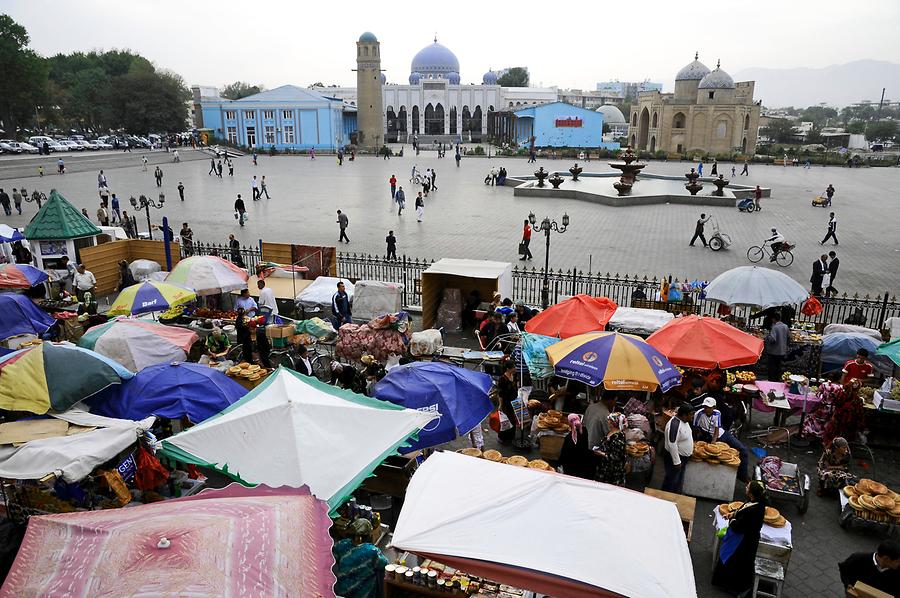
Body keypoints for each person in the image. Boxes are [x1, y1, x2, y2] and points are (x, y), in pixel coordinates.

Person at [712, 480, 767, 594]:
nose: (746, 487)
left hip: (743, 542)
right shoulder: (756, 502)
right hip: (746, 539)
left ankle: (733, 588)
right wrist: (733, 514)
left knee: (736, 563)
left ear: (751, 493)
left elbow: (739, 526)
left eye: (748, 487)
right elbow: (743, 509)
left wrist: (732, 520)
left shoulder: (754, 511)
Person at [693, 397, 750, 482]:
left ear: (714, 407)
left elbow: (716, 429)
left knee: (743, 450)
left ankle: (743, 475)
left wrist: (713, 442)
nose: (707, 409)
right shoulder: (698, 414)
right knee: (712, 458)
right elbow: (696, 428)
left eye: (709, 407)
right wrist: (696, 440)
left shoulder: (717, 413)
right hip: (706, 436)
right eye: (705, 407)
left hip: (722, 435)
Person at [332, 518, 388, 598]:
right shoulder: (372, 551)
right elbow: (384, 564)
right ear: (368, 535)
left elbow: (334, 559)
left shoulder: (341, 544)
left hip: (344, 591)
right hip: (364, 593)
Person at [662, 404, 694, 493]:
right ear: (684, 415)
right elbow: (672, 443)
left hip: (683, 458)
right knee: (671, 481)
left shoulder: (685, 422)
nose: (692, 416)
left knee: (677, 481)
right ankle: (666, 499)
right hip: (674, 458)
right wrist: (676, 461)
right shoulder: (674, 424)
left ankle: (675, 497)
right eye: (691, 414)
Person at [824, 379, 865, 446]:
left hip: (840, 418)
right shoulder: (856, 399)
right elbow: (859, 413)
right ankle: (840, 445)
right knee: (843, 432)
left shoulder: (842, 394)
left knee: (837, 431)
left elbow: (836, 402)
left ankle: (835, 444)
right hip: (845, 419)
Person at [802, 370, 842, 438]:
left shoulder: (824, 385)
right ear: (839, 378)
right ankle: (822, 434)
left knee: (810, 417)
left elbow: (817, 394)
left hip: (823, 408)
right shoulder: (841, 388)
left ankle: (812, 432)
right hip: (834, 410)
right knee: (828, 422)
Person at [558, 413, 595, 479]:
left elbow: (564, 454)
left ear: (569, 423)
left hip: (571, 466)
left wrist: (559, 463)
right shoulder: (584, 430)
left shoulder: (569, 438)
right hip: (584, 463)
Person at [594, 412, 627, 486]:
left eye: (609, 420)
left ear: (613, 423)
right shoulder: (611, 432)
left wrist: (600, 453)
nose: (607, 422)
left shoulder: (618, 438)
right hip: (604, 467)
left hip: (612, 472)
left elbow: (616, 457)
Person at [496, 361, 519, 444]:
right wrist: (500, 405)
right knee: (506, 420)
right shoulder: (502, 379)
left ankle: (511, 437)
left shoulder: (514, 375)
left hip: (514, 401)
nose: (515, 369)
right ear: (508, 369)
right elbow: (500, 394)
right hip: (506, 403)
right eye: (513, 367)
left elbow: (517, 385)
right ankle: (503, 437)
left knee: (513, 420)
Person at [765, 312, 789, 381]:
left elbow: (772, 339)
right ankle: (777, 381)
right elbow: (789, 338)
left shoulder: (775, 327)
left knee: (772, 369)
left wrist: (767, 337)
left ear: (773, 319)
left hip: (774, 352)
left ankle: (771, 382)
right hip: (782, 351)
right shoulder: (785, 326)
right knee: (778, 368)